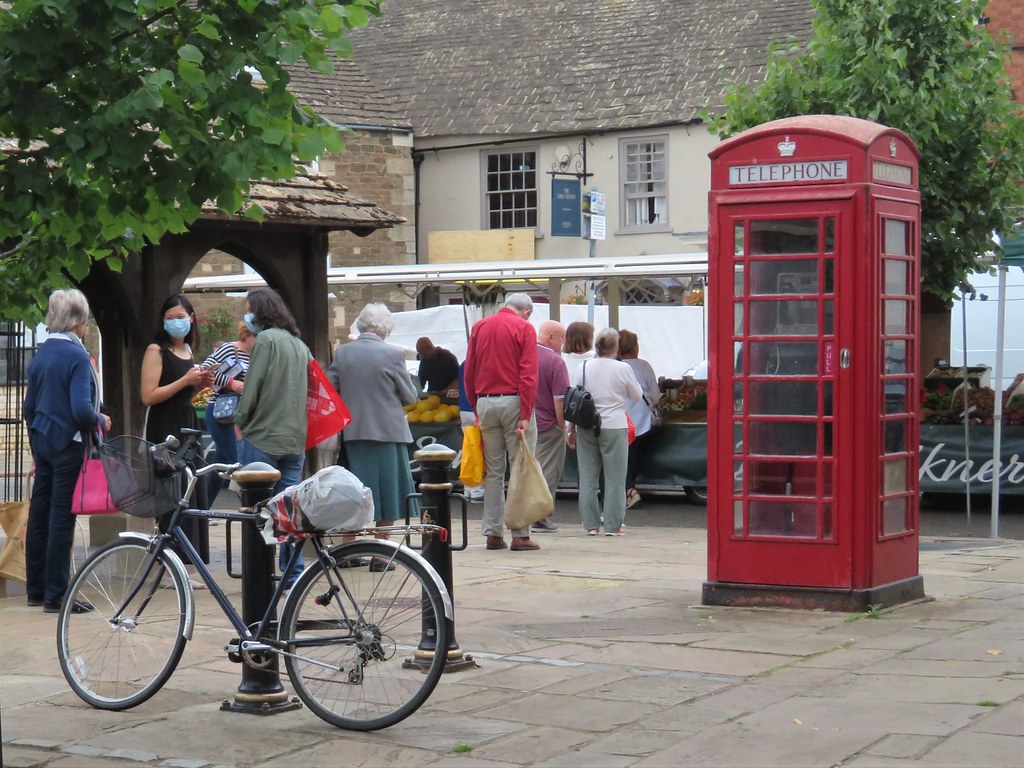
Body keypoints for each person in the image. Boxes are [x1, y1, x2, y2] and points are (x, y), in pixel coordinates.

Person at [23, 289, 111, 613]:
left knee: (39, 516)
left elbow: (29, 407)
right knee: (62, 518)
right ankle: (57, 595)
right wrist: (101, 418)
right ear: (79, 321)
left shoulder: (42, 353)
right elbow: (82, 411)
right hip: (68, 444)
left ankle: (35, 590)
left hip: (43, 440)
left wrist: (35, 447)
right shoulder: (76, 356)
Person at [328, 304, 419, 570]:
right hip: (388, 433)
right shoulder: (393, 353)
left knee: (354, 493)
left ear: (361, 325)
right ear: (384, 329)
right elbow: (410, 396)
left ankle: (348, 550)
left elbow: (331, 389)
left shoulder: (343, 353)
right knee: (388, 492)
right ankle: (381, 555)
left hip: (354, 434)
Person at [234, 288, 312, 587]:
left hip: (263, 436)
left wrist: (240, 421)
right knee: (288, 511)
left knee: (257, 510)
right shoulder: (298, 344)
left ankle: (258, 575)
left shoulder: (266, 340)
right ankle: (294, 573)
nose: (247, 314)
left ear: (261, 311)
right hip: (294, 439)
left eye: (248, 308)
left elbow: (253, 386)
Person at [141, 294, 215, 574]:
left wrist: (200, 385)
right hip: (165, 428)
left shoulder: (188, 351)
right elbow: (149, 395)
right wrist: (185, 380)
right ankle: (168, 564)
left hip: (187, 425)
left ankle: (186, 563)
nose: (176, 323)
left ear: (191, 319)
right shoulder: (156, 351)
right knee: (171, 494)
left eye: (180, 317)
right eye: (170, 318)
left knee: (190, 492)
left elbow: (186, 394)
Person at [464, 293, 539, 552]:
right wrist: (526, 414)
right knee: (519, 466)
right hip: (514, 401)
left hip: (485, 402)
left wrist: (476, 406)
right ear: (526, 311)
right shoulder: (524, 328)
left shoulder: (479, 327)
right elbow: (528, 373)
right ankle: (520, 533)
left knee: (494, 471)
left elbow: (469, 370)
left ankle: (493, 532)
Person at [567, 328, 641, 537]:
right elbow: (636, 395)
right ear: (616, 347)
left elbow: (575, 399)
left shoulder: (582, 367)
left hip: (586, 425)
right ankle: (613, 525)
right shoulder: (622, 368)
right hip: (615, 425)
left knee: (588, 478)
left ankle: (590, 524)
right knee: (615, 479)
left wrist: (570, 430)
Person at [200, 321, 255, 504]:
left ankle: (201, 508)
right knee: (238, 463)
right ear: (246, 335)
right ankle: (252, 508)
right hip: (221, 414)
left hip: (243, 417)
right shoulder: (229, 349)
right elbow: (204, 370)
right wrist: (232, 384)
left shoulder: (259, 355)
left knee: (220, 466)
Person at [531, 320, 568, 533]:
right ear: (551, 337)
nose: (563, 343)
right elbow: (559, 399)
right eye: (562, 338)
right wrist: (562, 427)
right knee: (547, 473)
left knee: (527, 472)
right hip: (548, 424)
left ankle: (526, 513)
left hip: (525, 422)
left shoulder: (523, 355)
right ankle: (541, 518)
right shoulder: (555, 361)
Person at [618, 329, 660, 509]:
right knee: (634, 454)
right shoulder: (644, 366)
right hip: (641, 420)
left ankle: (628, 490)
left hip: (620, 417)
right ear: (635, 346)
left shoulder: (614, 366)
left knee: (620, 456)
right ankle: (630, 489)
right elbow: (656, 396)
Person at [455, 361, 484, 502]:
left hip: (464, 409)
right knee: (479, 450)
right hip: (476, 408)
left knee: (468, 448)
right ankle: (478, 488)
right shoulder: (481, 363)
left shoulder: (464, 364)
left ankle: (469, 488)